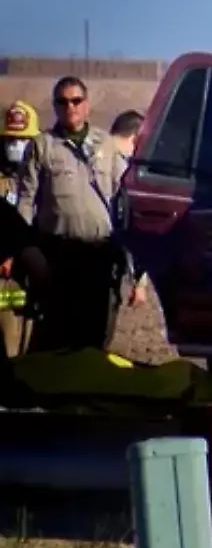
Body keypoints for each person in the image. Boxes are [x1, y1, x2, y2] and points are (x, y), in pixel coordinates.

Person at [17, 76, 128, 352]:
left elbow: (123, 197)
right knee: (57, 335)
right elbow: (26, 201)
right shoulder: (42, 146)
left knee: (96, 336)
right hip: (58, 257)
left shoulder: (106, 145)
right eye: (62, 101)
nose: (70, 107)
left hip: (99, 256)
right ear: (55, 106)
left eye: (76, 100)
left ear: (87, 105)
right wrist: (22, 251)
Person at [0, 101, 40, 357]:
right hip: (4, 275)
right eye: (10, 140)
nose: (16, 146)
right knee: (7, 339)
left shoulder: (43, 180)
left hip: (35, 271)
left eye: (23, 140)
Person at [108, 109, 149, 306]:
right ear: (136, 138)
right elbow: (128, 226)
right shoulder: (125, 174)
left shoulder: (87, 155)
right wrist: (139, 282)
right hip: (104, 262)